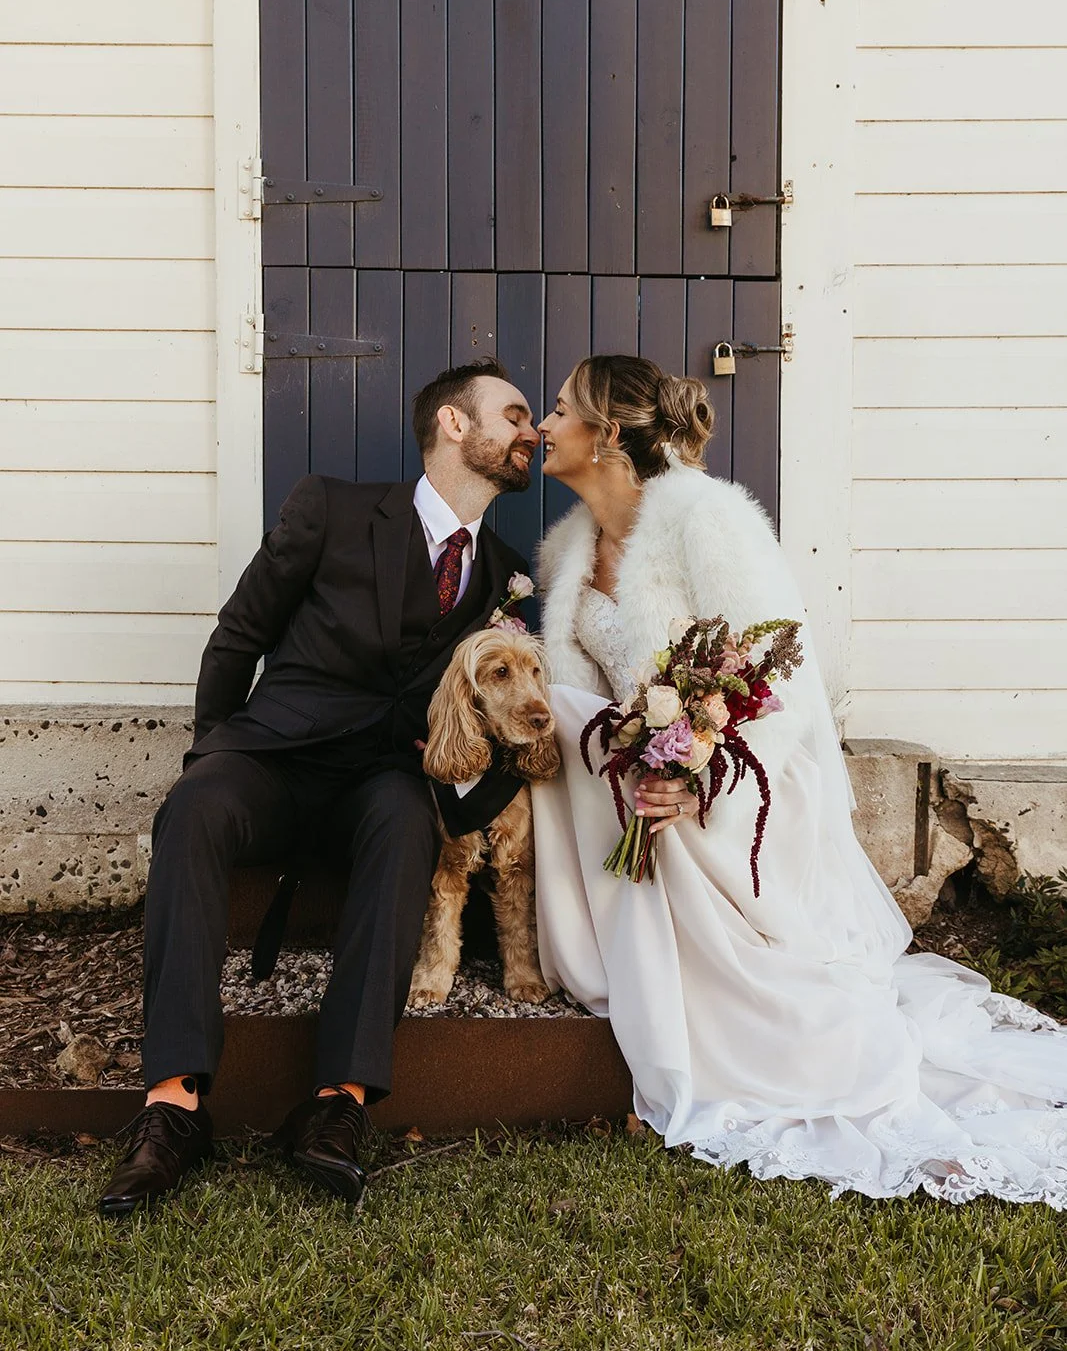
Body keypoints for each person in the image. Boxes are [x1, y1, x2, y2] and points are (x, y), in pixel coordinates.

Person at [533, 354, 1067, 1207]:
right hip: (637, 788)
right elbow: (584, 702)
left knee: (788, 981)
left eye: (558, 411)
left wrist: (702, 773)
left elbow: (776, 679)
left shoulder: (704, 520)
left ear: (601, 435)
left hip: (739, 789)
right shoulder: (567, 550)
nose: (542, 426)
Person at [98, 359, 539, 1216]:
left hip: (379, 779)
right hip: (271, 757)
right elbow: (238, 635)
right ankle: (174, 1107)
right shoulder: (330, 508)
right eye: (515, 414)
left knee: (408, 818)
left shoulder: (502, 575)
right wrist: (214, 751)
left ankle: (337, 1103)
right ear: (454, 425)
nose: (533, 432)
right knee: (192, 807)